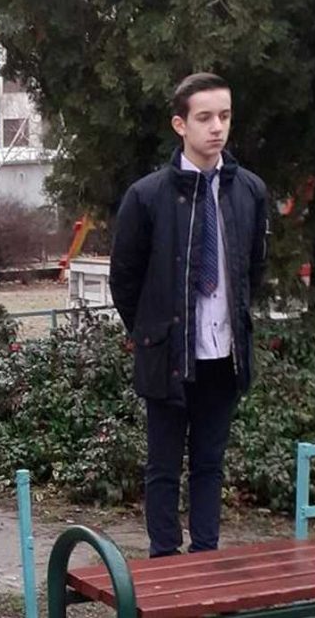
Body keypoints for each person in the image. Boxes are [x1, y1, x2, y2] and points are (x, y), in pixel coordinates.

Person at [110, 72, 269, 558]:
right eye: (204, 117)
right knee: (162, 467)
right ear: (180, 124)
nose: (217, 127)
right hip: (169, 356)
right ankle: (164, 562)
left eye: (224, 116)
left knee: (209, 464)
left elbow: (253, 270)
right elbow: (125, 280)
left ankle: (206, 559)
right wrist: (152, 333)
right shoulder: (147, 196)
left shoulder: (249, 191)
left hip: (224, 354)